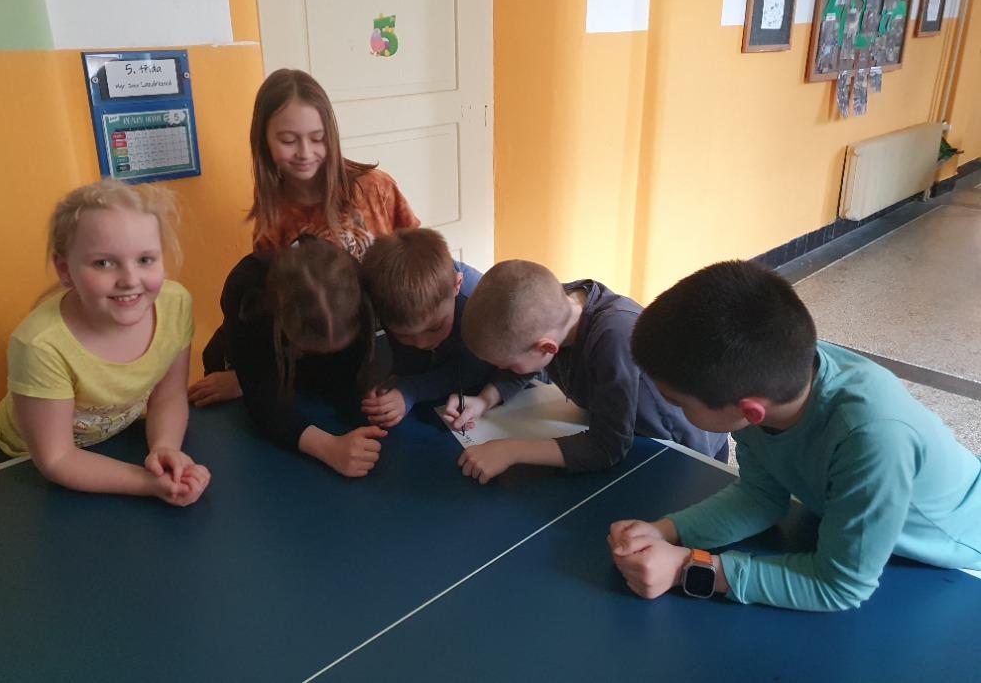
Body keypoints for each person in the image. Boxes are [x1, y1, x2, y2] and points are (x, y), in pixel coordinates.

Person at [609, 260, 981, 611]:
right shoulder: (765, 380)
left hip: (963, 554)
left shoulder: (874, 437)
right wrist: (667, 531)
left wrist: (689, 567)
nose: (670, 407)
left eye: (676, 401)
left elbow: (840, 585)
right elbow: (760, 498)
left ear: (749, 411)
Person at [188, 68, 419, 407]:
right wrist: (248, 378)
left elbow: (417, 258)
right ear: (264, 141)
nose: (305, 152)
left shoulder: (376, 188)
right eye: (288, 140)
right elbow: (282, 314)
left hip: (390, 349)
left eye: (317, 137)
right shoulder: (273, 218)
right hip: (326, 362)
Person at [0, 180, 210, 506]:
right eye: (104, 263)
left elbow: (169, 396)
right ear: (65, 269)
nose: (130, 280)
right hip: (28, 464)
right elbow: (57, 458)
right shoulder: (39, 345)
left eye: (145, 259)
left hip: (118, 437)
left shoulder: (175, 304)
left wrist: (165, 448)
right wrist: (150, 484)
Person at [457, 260, 725, 484]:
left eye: (508, 366)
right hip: (633, 433)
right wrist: (485, 399)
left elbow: (607, 446)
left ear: (547, 347)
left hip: (683, 449)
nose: (503, 371)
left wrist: (511, 449)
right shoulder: (553, 310)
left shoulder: (615, 336)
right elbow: (527, 358)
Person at [223, 236, 386, 477]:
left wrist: (373, 386)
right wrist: (328, 447)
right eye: (316, 349)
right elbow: (265, 405)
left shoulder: (355, 282)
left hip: (302, 380)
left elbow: (359, 366)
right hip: (258, 360)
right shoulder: (249, 290)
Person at [358, 228, 522, 429]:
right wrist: (395, 384)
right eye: (403, 335)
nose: (421, 344)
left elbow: (473, 371)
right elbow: (408, 359)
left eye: (435, 328)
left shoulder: (479, 307)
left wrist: (412, 389)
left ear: (457, 285)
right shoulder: (391, 301)